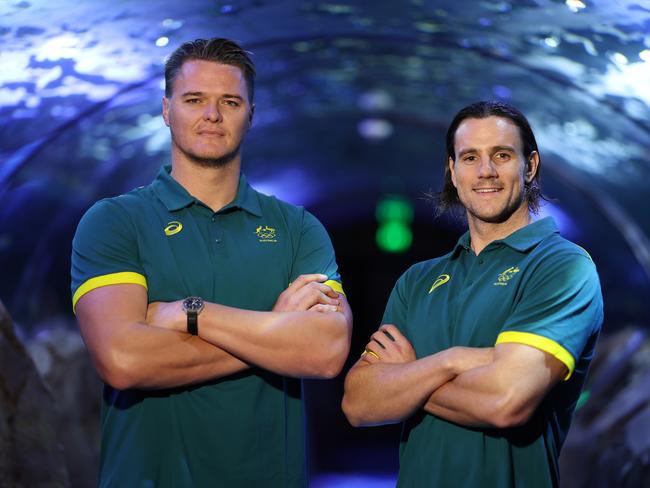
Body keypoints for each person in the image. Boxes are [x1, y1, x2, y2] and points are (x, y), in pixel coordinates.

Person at [71, 38, 352, 488]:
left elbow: (325, 352)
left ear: (251, 113)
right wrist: (275, 332)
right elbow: (123, 360)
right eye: (194, 100)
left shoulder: (299, 228)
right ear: (167, 110)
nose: (212, 115)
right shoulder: (114, 222)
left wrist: (189, 312)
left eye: (230, 101)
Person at [342, 100, 603, 487]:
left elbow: (506, 402)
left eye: (501, 155)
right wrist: (453, 361)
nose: (485, 171)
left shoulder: (562, 268)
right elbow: (359, 403)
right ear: (452, 170)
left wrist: (407, 378)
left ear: (529, 166)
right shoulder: (417, 281)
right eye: (469, 157)